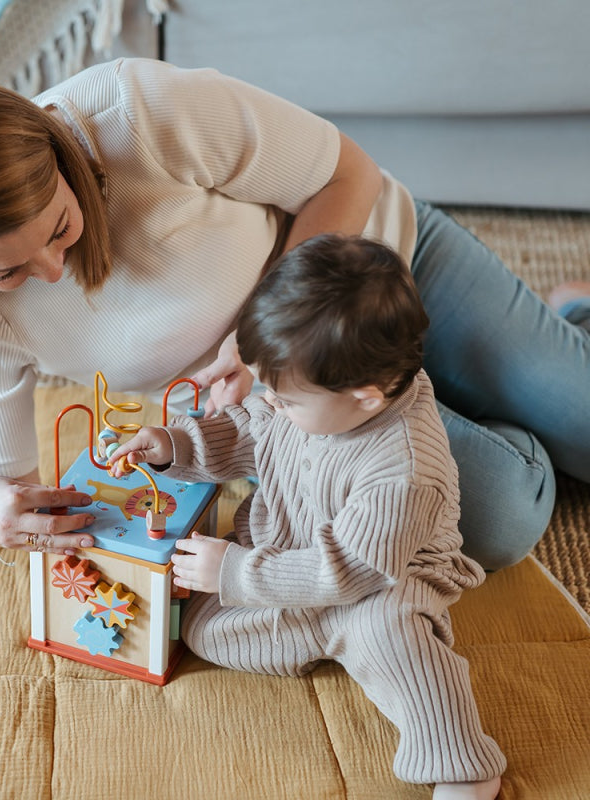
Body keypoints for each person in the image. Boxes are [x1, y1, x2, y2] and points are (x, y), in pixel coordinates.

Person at [0, 57, 590, 565]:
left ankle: (561, 332)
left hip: (387, 264)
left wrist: (262, 331)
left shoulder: (136, 111)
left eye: (60, 228)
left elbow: (347, 173)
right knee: (502, 516)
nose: (53, 271)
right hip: (289, 404)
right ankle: (520, 380)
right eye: (9, 271)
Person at [108, 234, 505, 798]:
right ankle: (318, 630)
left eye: (286, 400)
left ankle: (464, 764)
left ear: (367, 397)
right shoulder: (293, 398)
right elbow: (247, 431)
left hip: (381, 577)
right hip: (292, 547)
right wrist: (174, 447)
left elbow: (351, 569)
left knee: (387, 630)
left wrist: (239, 573)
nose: (269, 403)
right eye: (267, 388)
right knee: (200, 631)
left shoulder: (405, 473)